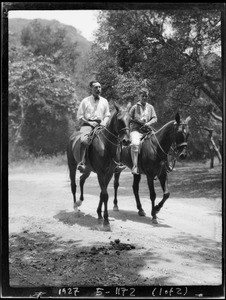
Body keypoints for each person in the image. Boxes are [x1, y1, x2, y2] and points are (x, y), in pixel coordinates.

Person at [76, 80, 111, 173]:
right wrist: (90, 123)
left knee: (114, 138)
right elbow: (79, 116)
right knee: (84, 141)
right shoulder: (85, 101)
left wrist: (104, 122)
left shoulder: (104, 101)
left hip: (101, 125)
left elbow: (107, 114)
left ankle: (116, 163)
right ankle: (82, 163)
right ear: (91, 89)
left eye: (99, 87)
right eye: (96, 87)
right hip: (88, 124)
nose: (98, 89)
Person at [129, 88, 157, 174]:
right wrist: (136, 121)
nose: (144, 98)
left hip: (148, 130)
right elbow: (129, 118)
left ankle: (163, 165)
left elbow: (155, 118)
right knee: (134, 144)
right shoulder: (134, 107)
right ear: (139, 96)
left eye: (146, 96)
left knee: (159, 142)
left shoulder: (150, 107)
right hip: (136, 130)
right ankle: (135, 166)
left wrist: (148, 123)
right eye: (143, 96)